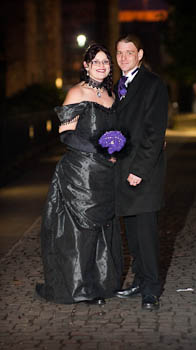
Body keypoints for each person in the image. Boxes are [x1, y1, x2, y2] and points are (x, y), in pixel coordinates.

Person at [35, 43, 124, 305]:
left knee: (102, 228)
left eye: (105, 61)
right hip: (80, 173)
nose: (101, 65)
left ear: (110, 66)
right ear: (86, 66)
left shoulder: (111, 95)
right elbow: (66, 133)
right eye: (95, 61)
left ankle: (100, 283)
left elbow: (116, 132)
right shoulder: (77, 92)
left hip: (106, 172)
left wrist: (119, 147)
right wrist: (98, 149)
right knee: (80, 231)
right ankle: (80, 288)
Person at [114, 35, 168, 311]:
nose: (124, 57)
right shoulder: (118, 86)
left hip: (142, 174)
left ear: (140, 54)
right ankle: (139, 281)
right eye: (120, 53)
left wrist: (139, 170)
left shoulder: (153, 85)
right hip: (122, 172)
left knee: (146, 235)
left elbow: (154, 133)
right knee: (132, 233)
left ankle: (151, 289)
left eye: (129, 52)